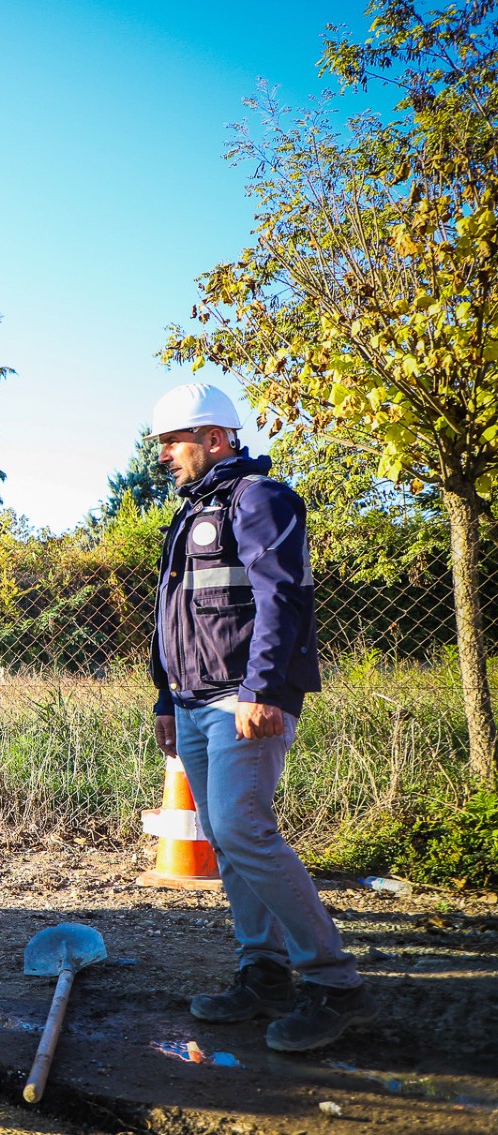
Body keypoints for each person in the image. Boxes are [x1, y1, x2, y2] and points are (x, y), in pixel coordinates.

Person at [147, 383, 372, 1053]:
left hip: (242, 698)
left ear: (215, 439)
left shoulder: (261, 501)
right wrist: (164, 695)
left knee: (244, 825)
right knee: (223, 830)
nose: (164, 455)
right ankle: (263, 972)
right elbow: (173, 613)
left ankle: (335, 984)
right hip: (193, 699)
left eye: (173, 441)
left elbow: (283, 599)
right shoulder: (193, 513)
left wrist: (263, 689)